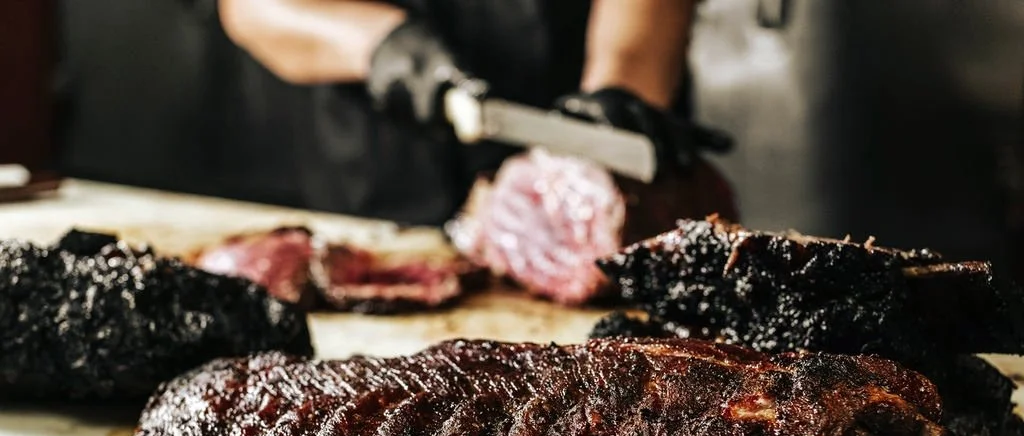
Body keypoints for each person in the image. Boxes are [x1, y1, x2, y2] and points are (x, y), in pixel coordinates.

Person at [212, 0, 731, 225]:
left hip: (581, 178)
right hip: (374, 188)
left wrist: (622, 85)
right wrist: (377, 44)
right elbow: (252, 10)